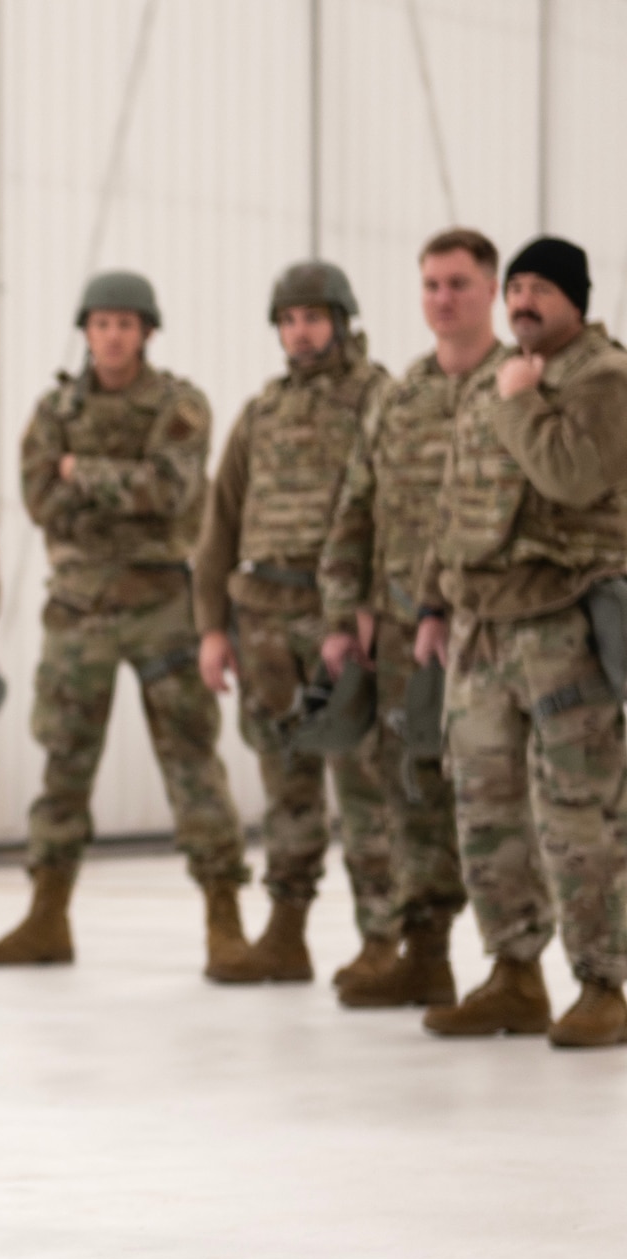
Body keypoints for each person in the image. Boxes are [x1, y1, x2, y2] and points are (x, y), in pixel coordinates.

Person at [0, 272, 250, 976]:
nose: (113, 335)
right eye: (101, 323)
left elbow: (170, 490)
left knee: (192, 762)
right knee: (64, 762)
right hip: (78, 609)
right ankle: (47, 915)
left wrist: (82, 472)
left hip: (163, 604)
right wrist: (101, 480)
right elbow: (40, 499)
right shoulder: (53, 410)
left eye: (127, 324)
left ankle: (224, 917)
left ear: (148, 332)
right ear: (86, 330)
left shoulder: (178, 404)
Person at [416, 236, 627, 1047]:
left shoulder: (603, 379)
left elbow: (572, 477)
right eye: (516, 288)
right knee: (485, 807)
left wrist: (516, 400)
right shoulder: (498, 382)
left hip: (561, 622)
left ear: (576, 298)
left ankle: (604, 981)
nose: (523, 302)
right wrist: (433, 602)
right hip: (479, 629)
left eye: (541, 288)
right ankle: (512, 973)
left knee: (579, 811)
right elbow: (455, 499)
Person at [317, 230, 505, 1009]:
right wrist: (342, 611)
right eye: (431, 284)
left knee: (505, 796)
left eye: (458, 283)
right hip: (400, 631)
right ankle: (426, 952)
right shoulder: (400, 397)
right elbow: (355, 507)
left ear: (491, 289)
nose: (443, 298)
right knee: (414, 790)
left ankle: (526, 967)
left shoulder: (520, 385)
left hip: (498, 626)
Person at [196, 262, 396, 986]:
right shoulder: (263, 411)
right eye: (289, 319)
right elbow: (219, 522)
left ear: (341, 321)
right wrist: (214, 627)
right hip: (266, 622)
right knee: (286, 782)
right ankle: (285, 931)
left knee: (365, 781)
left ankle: (383, 938)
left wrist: (371, 607)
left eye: (314, 316)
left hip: (341, 620)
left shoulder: (379, 399)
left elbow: (395, 512)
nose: (301, 331)